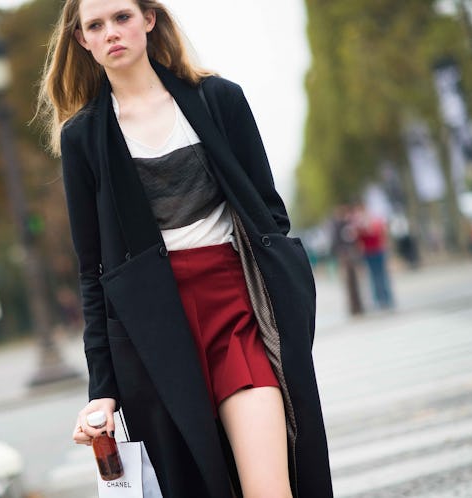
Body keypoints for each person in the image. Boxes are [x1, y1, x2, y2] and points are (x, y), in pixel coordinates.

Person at [37, 1, 332, 496]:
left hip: (235, 313)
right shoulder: (84, 139)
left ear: (149, 19)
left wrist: (289, 291)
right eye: (96, 25)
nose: (112, 32)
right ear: (82, 40)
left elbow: (268, 213)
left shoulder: (218, 99)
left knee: (270, 488)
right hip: (155, 341)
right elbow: (94, 272)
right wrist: (102, 391)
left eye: (122, 17)